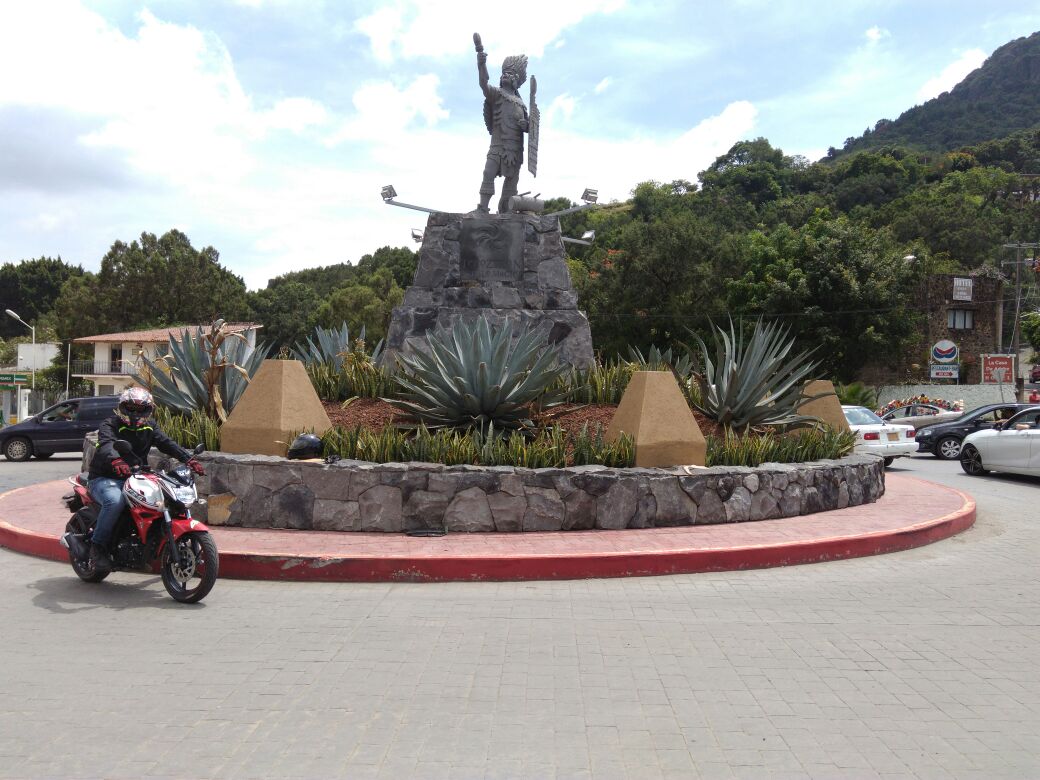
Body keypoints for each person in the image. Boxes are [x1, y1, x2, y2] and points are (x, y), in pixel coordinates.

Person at [86, 387, 204, 573]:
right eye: (131, 409)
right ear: (122, 408)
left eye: (141, 410)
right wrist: (116, 459)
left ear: (149, 411)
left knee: (161, 500)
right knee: (115, 502)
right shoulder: (110, 424)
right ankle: (97, 547)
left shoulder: (150, 427)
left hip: (135, 476)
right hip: (105, 477)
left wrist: (188, 459)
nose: (136, 414)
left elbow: (166, 443)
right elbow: (107, 444)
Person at [474, 33, 530, 214]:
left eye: (511, 73)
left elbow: (530, 127)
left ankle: (506, 210)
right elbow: (483, 83)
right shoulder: (496, 94)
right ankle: (482, 207)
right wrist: (481, 63)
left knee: (511, 183)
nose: (506, 75)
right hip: (497, 146)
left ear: (517, 80)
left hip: (515, 149)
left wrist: (526, 125)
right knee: (488, 173)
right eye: (504, 72)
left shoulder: (521, 103)